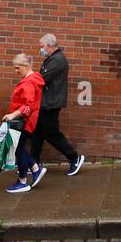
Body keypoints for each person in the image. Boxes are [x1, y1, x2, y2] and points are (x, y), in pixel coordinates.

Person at [29, 35, 85, 177]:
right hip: (47, 102)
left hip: (50, 103)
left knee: (51, 133)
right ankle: (33, 163)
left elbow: (41, 80)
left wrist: (28, 74)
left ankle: (74, 157)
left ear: (49, 45)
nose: (41, 49)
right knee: (37, 133)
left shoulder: (56, 60)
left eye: (42, 47)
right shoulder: (54, 59)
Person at [2, 53, 46, 194]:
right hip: (28, 120)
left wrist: (13, 115)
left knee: (18, 150)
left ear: (26, 66)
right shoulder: (34, 79)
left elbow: (28, 105)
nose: (16, 71)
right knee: (20, 148)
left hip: (24, 121)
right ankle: (35, 169)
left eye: (17, 68)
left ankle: (22, 181)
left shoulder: (28, 83)